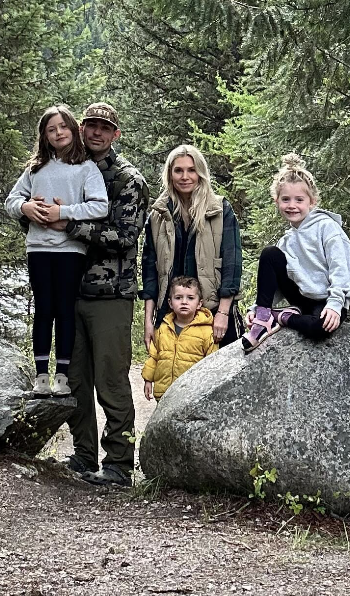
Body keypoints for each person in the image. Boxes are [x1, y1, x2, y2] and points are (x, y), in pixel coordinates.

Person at [58, 102, 150, 488]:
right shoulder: (64, 170)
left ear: (115, 134)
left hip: (111, 293)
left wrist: (72, 224)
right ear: (81, 128)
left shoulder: (128, 179)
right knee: (75, 379)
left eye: (104, 128)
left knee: (110, 381)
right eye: (91, 126)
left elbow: (126, 237)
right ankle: (83, 455)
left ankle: (118, 464)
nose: (96, 133)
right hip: (69, 291)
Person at [5, 105, 108, 396]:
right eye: (51, 129)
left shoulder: (85, 168)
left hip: (70, 251)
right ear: (44, 136)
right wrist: (26, 207)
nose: (58, 133)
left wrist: (63, 212)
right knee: (43, 308)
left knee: (64, 310)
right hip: (37, 248)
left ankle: (61, 375)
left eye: (63, 126)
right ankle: (41, 375)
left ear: (74, 129)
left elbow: (100, 206)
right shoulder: (35, 168)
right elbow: (11, 201)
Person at [241, 153, 350, 352]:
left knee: (320, 328)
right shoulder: (286, 240)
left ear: (311, 201)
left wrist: (335, 304)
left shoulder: (327, 227)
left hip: (328, 300)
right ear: (277, 202)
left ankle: (280, 317)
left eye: (299, 200)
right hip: (302, 299)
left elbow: (341, 267)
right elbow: (276, 283)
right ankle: (263, 316)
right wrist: (256, 308)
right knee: (270, 254)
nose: (292, 205)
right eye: (285, 199)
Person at [142, 144, 242, 350]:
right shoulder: (157, 215)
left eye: (191, 170)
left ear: (201, 173)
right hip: (170, 313)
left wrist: (223, 313)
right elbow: (150, 272)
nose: (184, 176)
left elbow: (232, 265)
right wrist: (148, 321)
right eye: (178, 170)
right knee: (169, 375)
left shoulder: (221, 210)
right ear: (170, 174)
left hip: (213, 310)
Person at [142, 276, 218, 402]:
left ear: (199, 303)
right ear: (170, 303)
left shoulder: (206, 332)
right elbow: (154, 357)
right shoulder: (163, 328)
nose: (184, 302)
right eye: (178, 298)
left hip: (192, 395)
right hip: (164, 393)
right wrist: (148, 380)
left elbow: (212, 364)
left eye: (190, 298)